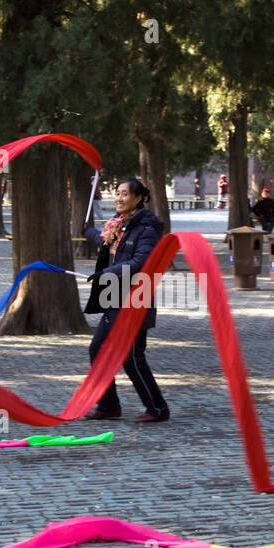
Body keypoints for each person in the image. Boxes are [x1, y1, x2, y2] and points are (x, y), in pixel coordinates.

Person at [81, 178, 171, 423]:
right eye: (117, 193)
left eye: (124, 194)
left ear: (138, 198)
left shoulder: (147, 229)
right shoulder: (119, 225)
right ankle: (109, 405)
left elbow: (141, 262)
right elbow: (107, 244)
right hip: (114, 298)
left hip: (135, 300)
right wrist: (88, 230)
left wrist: (107, 273)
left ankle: (158, 408)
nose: (119, 198)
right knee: (98, 349)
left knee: (131, 356)